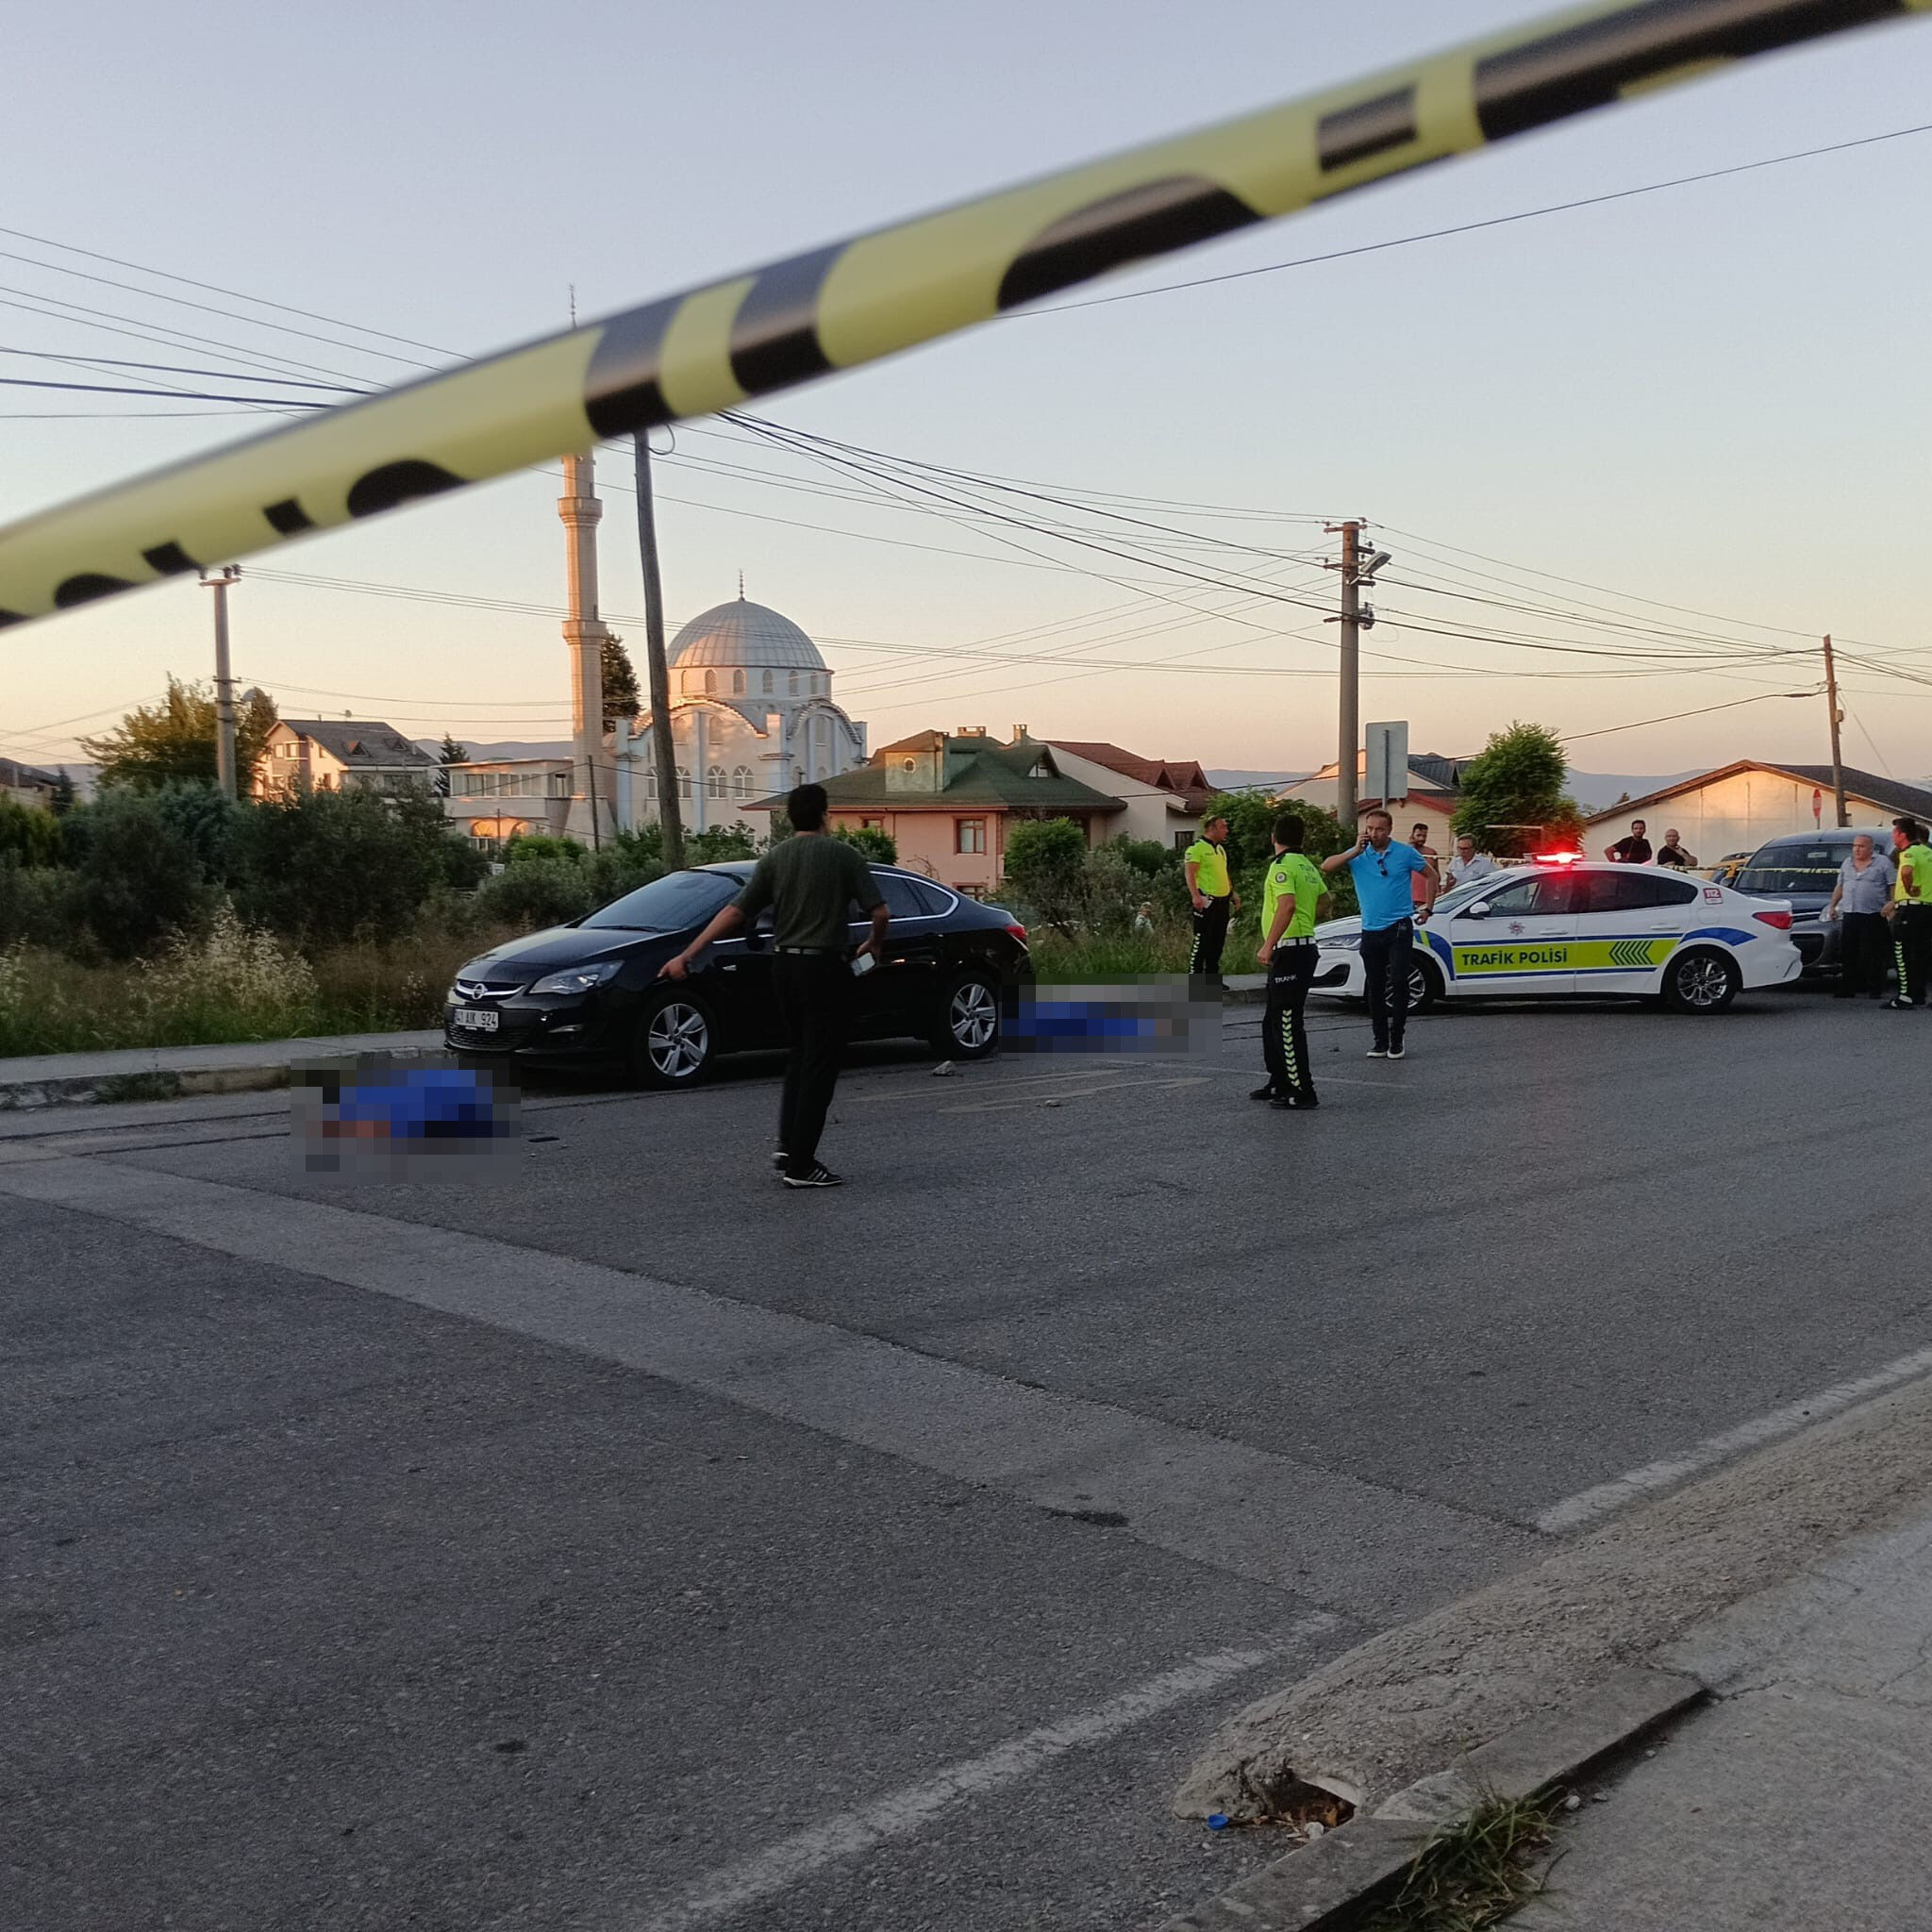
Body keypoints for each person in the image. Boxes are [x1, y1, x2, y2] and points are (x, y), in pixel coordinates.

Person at [660, 782, 888, 1188]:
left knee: (799, 1056)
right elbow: (881, 911)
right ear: (824, 815)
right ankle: (802, 1165)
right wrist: (874, 944)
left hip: (782, 966)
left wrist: (687, 954)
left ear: (789, 818)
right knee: (820, 1064)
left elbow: (734, 911)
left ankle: (788, 1147)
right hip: (824, 969)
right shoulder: (844, 856)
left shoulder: (775, 858)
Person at [1322, 808, 1430, 1059]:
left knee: (1400, 980)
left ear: (1389, 830)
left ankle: (1397, 1037)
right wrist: (1355, 850)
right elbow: (1326, 866)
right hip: (1371, 929)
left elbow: (1430, 875)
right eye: (1369, 828)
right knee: (1375, 985)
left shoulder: (1404, 853)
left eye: (1379, 829)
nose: (1374, 833)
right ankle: (1380, 1040)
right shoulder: (1358, 856)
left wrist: (1428, 907)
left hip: (1399, 926)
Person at [1252, 814, 1327, 1109]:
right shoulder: (1307, 865)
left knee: (1286, 1021)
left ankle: (1301, 1088)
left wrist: (1268, 944)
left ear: (1274, 837)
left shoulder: (1280, 867)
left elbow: (1287, 905)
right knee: (1272, 1018)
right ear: (1302, 839)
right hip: (1302, 948)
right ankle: (1279, 1081)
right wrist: (1309, 916)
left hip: (1291, 949)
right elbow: (1325, 899)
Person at [1825, 831, 1895, 1000]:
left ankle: (1875, 988)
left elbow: (1893, 885)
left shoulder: (1882, 863)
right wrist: (1833, 905)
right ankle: (1848, 987)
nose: (1857, 850)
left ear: (1871, 848)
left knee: (1873, 953)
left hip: (1873, 914)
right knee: (1848, 952)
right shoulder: (1847, 863)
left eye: (1861, 846)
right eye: (1855, 846)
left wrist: (1892, 903)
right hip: (1851, 913)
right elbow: (1840, 886)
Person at [1183, 815, 1240, 980]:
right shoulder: (1196, 849)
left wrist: (1232, 893)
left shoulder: (1220, 849)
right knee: (1202, 941)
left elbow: (1224, 872)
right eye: (1223, 827)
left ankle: (1212, 978)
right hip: (1207, 901)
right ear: (1212, 828)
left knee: (1218, 943)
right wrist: (1195, 896)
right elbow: (1190, 874)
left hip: (1222, 902)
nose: (1226, 830)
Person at [1887, 818, 1932, 1009]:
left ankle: (1905, 996)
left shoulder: (1908, 853)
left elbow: (1906, 872)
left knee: (1902, 952)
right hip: (1928, 908)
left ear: (1902, 835)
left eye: (1895, 832)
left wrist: (1909, 887)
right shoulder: (1928, 851)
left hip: (1910, 908)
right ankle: (1919, 994)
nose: (1893, 836)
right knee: (1923, 953)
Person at [1407, 822, 1441, 917]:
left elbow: (1436, 874)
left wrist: (1438, 892)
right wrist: (1411, 846)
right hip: (1410, 897)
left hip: (1427, 897)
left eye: (1424, 836)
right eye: (1418, 835)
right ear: (1412, 835)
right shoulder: (1407, 851)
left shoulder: (1431, 853)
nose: (1421, 838)